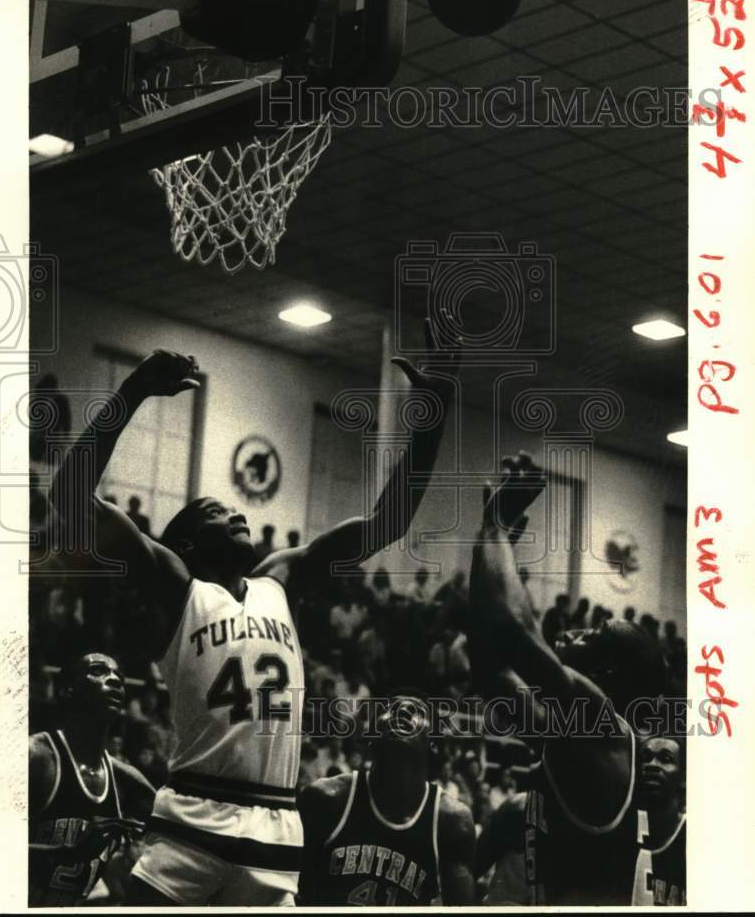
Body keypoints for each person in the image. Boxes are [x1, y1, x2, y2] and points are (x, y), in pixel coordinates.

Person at [50, 332, 457, 907]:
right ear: (187, 543)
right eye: (218, 512)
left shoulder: (280, 579)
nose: (238, 511)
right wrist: (134, 392)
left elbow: (385, 523)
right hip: (195, 813)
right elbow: (70, 498)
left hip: (276, 826)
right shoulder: (176, 586)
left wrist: (434, 415)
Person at [467, 453, 667, 906]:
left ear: (606, 674)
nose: (572, 631)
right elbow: (489, 667)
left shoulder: (602, 725)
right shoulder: (571, 735)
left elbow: (515, 636)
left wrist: (496, 530)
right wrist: (487, 537)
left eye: (591, 635)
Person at [298, 693, 476, 906]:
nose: (401, 713)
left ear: (433, 744)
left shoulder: (452, 821)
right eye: (390, 710)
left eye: (416, 711)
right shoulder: (327, 798)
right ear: (371, 738)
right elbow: (294, 898)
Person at [28, 653, 155, 906]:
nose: (114, 680)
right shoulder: (35, 757)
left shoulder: (125, 779)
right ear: (67, 690)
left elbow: (185, 832)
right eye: (98, 671)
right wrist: (68, 854)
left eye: (119, 677)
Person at [631, 735, 686, 905]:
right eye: (646, 758)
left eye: (665, 759)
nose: (652, 765)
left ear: (683, 777)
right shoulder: (625, 832)